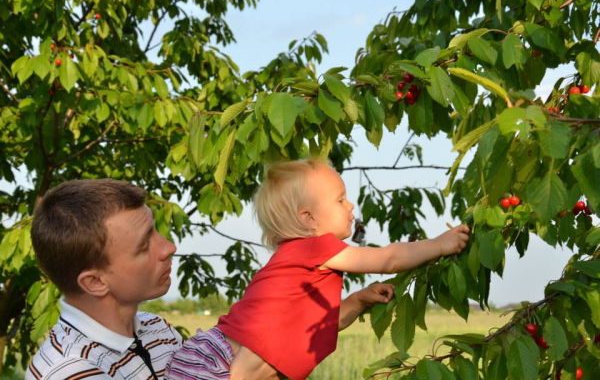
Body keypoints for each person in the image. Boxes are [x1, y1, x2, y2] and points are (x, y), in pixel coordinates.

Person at [166, 158, 470, 380]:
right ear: (308, 218)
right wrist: (439, 245)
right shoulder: (315, 246)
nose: (351, 206)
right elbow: (387, 259)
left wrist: (357, 301)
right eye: (340, 199)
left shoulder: (299, 263)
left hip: (210, 358)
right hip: (218, 363)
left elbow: (312, 329)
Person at [25, 179, 182, 380]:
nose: (168, 247)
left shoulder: (157, 330)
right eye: (144, 245)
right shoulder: (69, 370)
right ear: (95, 282)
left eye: (155, 230)